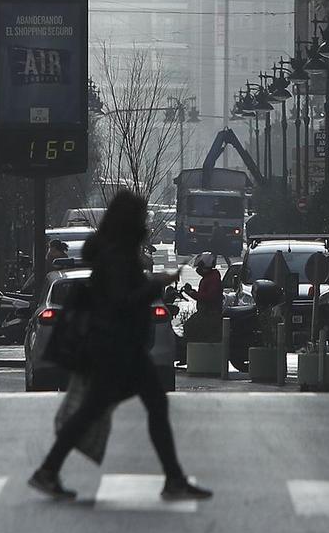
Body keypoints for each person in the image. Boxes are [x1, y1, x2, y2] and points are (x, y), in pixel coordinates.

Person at [28, 190, 212, 503]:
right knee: (117, 408)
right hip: (118, 348)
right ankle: (173, 479)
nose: (144, 222)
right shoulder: (117, 256)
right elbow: (121, 302)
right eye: (140, 217)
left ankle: (50, 469)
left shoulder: (114, 252)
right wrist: (156, 284)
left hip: (118, 347)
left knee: (108, 408)